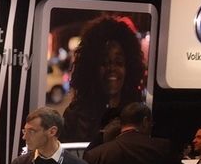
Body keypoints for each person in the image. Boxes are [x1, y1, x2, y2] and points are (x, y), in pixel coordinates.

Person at [61, 15, 146, 144]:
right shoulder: (75, 117)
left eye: (118, 62)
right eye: (104, 62)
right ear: (91, 67)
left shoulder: (138, 114)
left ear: (129, 68)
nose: (111, 68)